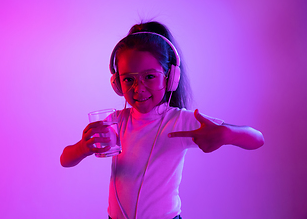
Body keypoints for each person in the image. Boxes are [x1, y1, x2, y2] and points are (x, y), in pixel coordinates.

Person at [60, 21, 264, 219]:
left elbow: (258, 139)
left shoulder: (179, 121)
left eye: (149, 77)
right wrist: (83, 148)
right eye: (128, 79)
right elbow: (65, 159)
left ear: (170, 77)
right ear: (117, 83)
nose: (138, 88)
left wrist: (226, 134)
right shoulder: (115, 122)